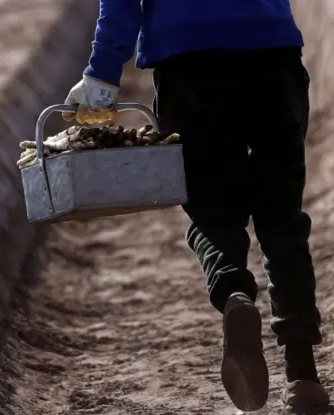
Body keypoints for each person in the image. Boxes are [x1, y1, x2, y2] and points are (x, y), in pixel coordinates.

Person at [64, 0, 330, 412]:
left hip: (189, 64)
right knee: (282, 217)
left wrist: (102, 75)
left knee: (212, 211)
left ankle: (235, 294)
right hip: (273, 54)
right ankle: (303, 376)